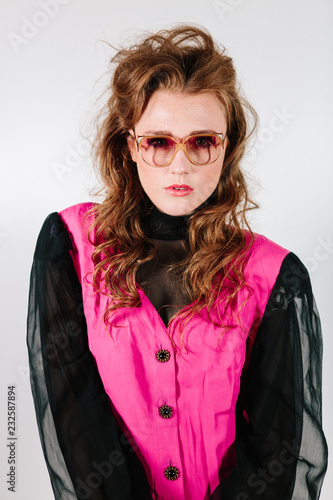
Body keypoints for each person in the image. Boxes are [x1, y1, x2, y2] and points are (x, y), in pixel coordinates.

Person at [27, 25, 327, 500]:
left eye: (202, 140)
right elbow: (74, 416)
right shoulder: (69, 247)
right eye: (159, 142)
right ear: (130, 145)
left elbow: (277, 451)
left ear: (226, 147)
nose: (180, 165)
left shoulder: (275, 277)